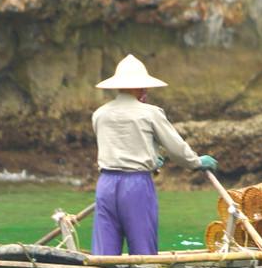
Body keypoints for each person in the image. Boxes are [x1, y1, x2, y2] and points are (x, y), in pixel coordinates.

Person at [90, 54, 217, 256]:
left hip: (106, 184)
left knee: (104, 254)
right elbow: (176, 150)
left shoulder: (100, 114)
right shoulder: (150, 113)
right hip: (136, 185)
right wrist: (196, 162)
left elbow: (117, 145)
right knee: (143, 252)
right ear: (140, 88)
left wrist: (148, 158)